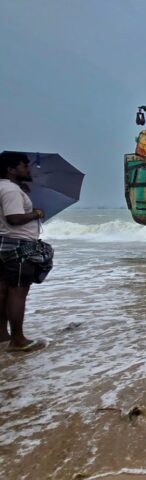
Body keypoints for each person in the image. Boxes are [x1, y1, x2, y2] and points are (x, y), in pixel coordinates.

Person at [0, 151, 48, 352]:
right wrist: (35, 213)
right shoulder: (10, 190)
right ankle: (18, 340)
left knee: (3, 291)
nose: (28, 169)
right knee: (18, 292)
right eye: (24, 166)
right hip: (18, 246)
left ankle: (3, 335)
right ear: (11, 170)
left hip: (4, 244)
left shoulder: (5, 188)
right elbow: (13, 218)